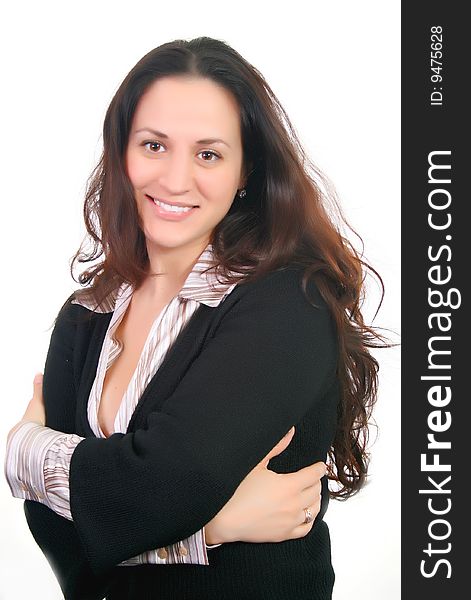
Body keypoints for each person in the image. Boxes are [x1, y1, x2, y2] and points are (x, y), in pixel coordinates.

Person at [4, 36, 390, 599]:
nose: (176, 179)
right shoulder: (86, 316)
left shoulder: (287, 307)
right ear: (122, 152)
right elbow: (55, 532)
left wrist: (21, 450)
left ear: (244, 173)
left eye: (208, 154)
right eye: (154, 146)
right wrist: (212, 528)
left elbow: (157, 492)